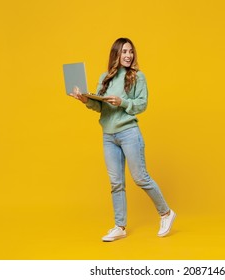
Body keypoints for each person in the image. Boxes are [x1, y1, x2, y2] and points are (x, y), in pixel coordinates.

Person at [70, 38, 176, 242]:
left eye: (131, 52)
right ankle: (120, 226)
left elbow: (142, 104)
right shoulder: (105, 78)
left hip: (129, 133)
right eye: (124, 52)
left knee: (140, 178)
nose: (128, 56)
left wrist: (122, 102)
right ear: (116, 55)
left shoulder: (138, 77)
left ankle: (166, 213)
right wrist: (85, 100)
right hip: (109, 135)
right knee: (116, 182)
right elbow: (99, 107)